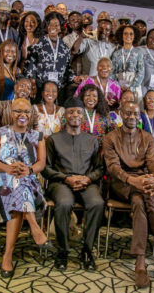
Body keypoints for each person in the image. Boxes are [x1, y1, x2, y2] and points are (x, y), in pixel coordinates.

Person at [103, 102, 154, 288]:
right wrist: (132, 180)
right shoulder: (110, 137)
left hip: (141, 182)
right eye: (127, 113)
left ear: (140, 116)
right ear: (121, 114)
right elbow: (112, 167)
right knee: (143, 192)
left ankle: (140, 261)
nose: (131, 117)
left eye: (135, 114)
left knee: (139, 200)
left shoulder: (147, 137)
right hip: (120, 183)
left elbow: (152, 162)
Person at [0, 98, 50, 278]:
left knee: (19, 185)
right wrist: (8, 168)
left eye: (26, 112)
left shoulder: (38, 136)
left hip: (27, 179)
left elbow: (41, 163)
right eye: (18, 111)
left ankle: (7, 256)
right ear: (11, 113)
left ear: (31, 115)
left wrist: (29, 169)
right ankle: (34, 227)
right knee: (16, 184)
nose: (22, 115)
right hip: (1, 179)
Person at [43, 97, 104, 271]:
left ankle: (87, 250)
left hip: (86, 182)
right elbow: (45, 168)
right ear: (65, 116)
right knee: (64, 203)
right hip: (61, 182)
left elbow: (100, 168)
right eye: (71, 112)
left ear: (83, 116)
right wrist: (65, 178)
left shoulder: (92, 140)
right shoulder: (53, 139)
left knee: (97, 203)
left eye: (78, 112)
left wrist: (88, 179)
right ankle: (63, 251)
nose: (75, 115)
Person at [25, 12, 74, 98]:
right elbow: (29, 68)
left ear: (60, 27)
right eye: (50, 24)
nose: (53, 27)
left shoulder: (65, 48)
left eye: (56, 25)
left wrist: (75, 78)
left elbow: (67, 70)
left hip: (58, 91)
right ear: (46, 26)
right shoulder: (37, 46)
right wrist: (32, 83)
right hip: (40, 90)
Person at [109, 25, 144, 102]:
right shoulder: (116, 53)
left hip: (134, 85)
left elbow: (141, 72)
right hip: (119, 84)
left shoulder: (138, 53)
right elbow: (112, 72)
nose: (128, 36)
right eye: (125, 33)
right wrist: (117, 86)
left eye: (131, 34)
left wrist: (131, 87)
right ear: (121, 36)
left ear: (134, 36)